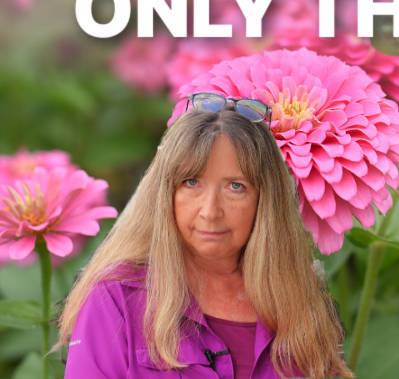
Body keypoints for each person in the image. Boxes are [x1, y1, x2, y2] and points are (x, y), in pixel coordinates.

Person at [56, 92, 353, 378]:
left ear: (265, 200)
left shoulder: (300, 298)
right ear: (166, 193)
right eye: (192, 182)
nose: (210, 212)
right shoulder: (115, 298)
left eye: (235, 186)